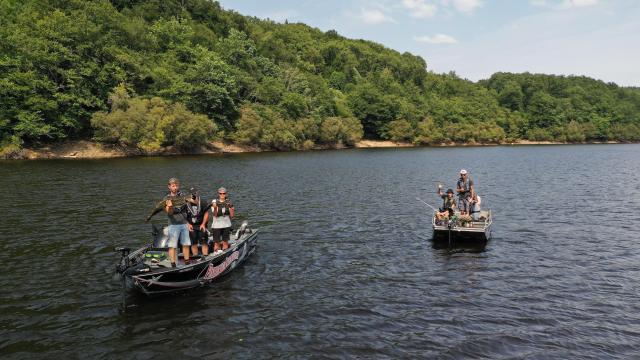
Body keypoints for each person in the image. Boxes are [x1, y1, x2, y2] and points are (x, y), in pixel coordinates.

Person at [145, 178, 194, 267]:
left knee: (186, 244)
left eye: (176, 186)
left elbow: (190, 207)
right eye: (173, 186)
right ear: (169, 187)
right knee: (172, 245)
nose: (175, 188)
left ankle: (187, 262)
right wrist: (170, 207)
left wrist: (188, 223)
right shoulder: (167, 198)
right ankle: (173, 264)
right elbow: (169, 213)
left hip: (184, 223)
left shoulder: (183, 195)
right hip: (173, 224)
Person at [185, 187, 212, 258]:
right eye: (192, 193)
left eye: (195, 193)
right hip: (192, 225)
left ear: (197, 193)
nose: (193, 195)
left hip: (201, 225)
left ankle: (205, 257)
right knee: (193, 243)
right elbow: (183, 215)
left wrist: (203, 224)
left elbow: (206, 214)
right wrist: (188, 224)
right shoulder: (186, 203)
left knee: (204, 242)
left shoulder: (203, 202)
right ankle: (195, 257)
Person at [211, 187, 234, 254]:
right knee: (216, 243)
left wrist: (231, 208)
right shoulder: (214, 201)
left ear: (226, 194)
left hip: (226, 225)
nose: (222, 195)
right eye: (220, 193)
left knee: (225, 242)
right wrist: (215, 208)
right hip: (216, 225)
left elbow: (232, 215)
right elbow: (215, 215)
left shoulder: (229, 202)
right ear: (218, 194)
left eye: (224, 193)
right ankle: (216, 255)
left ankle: (225, 256)